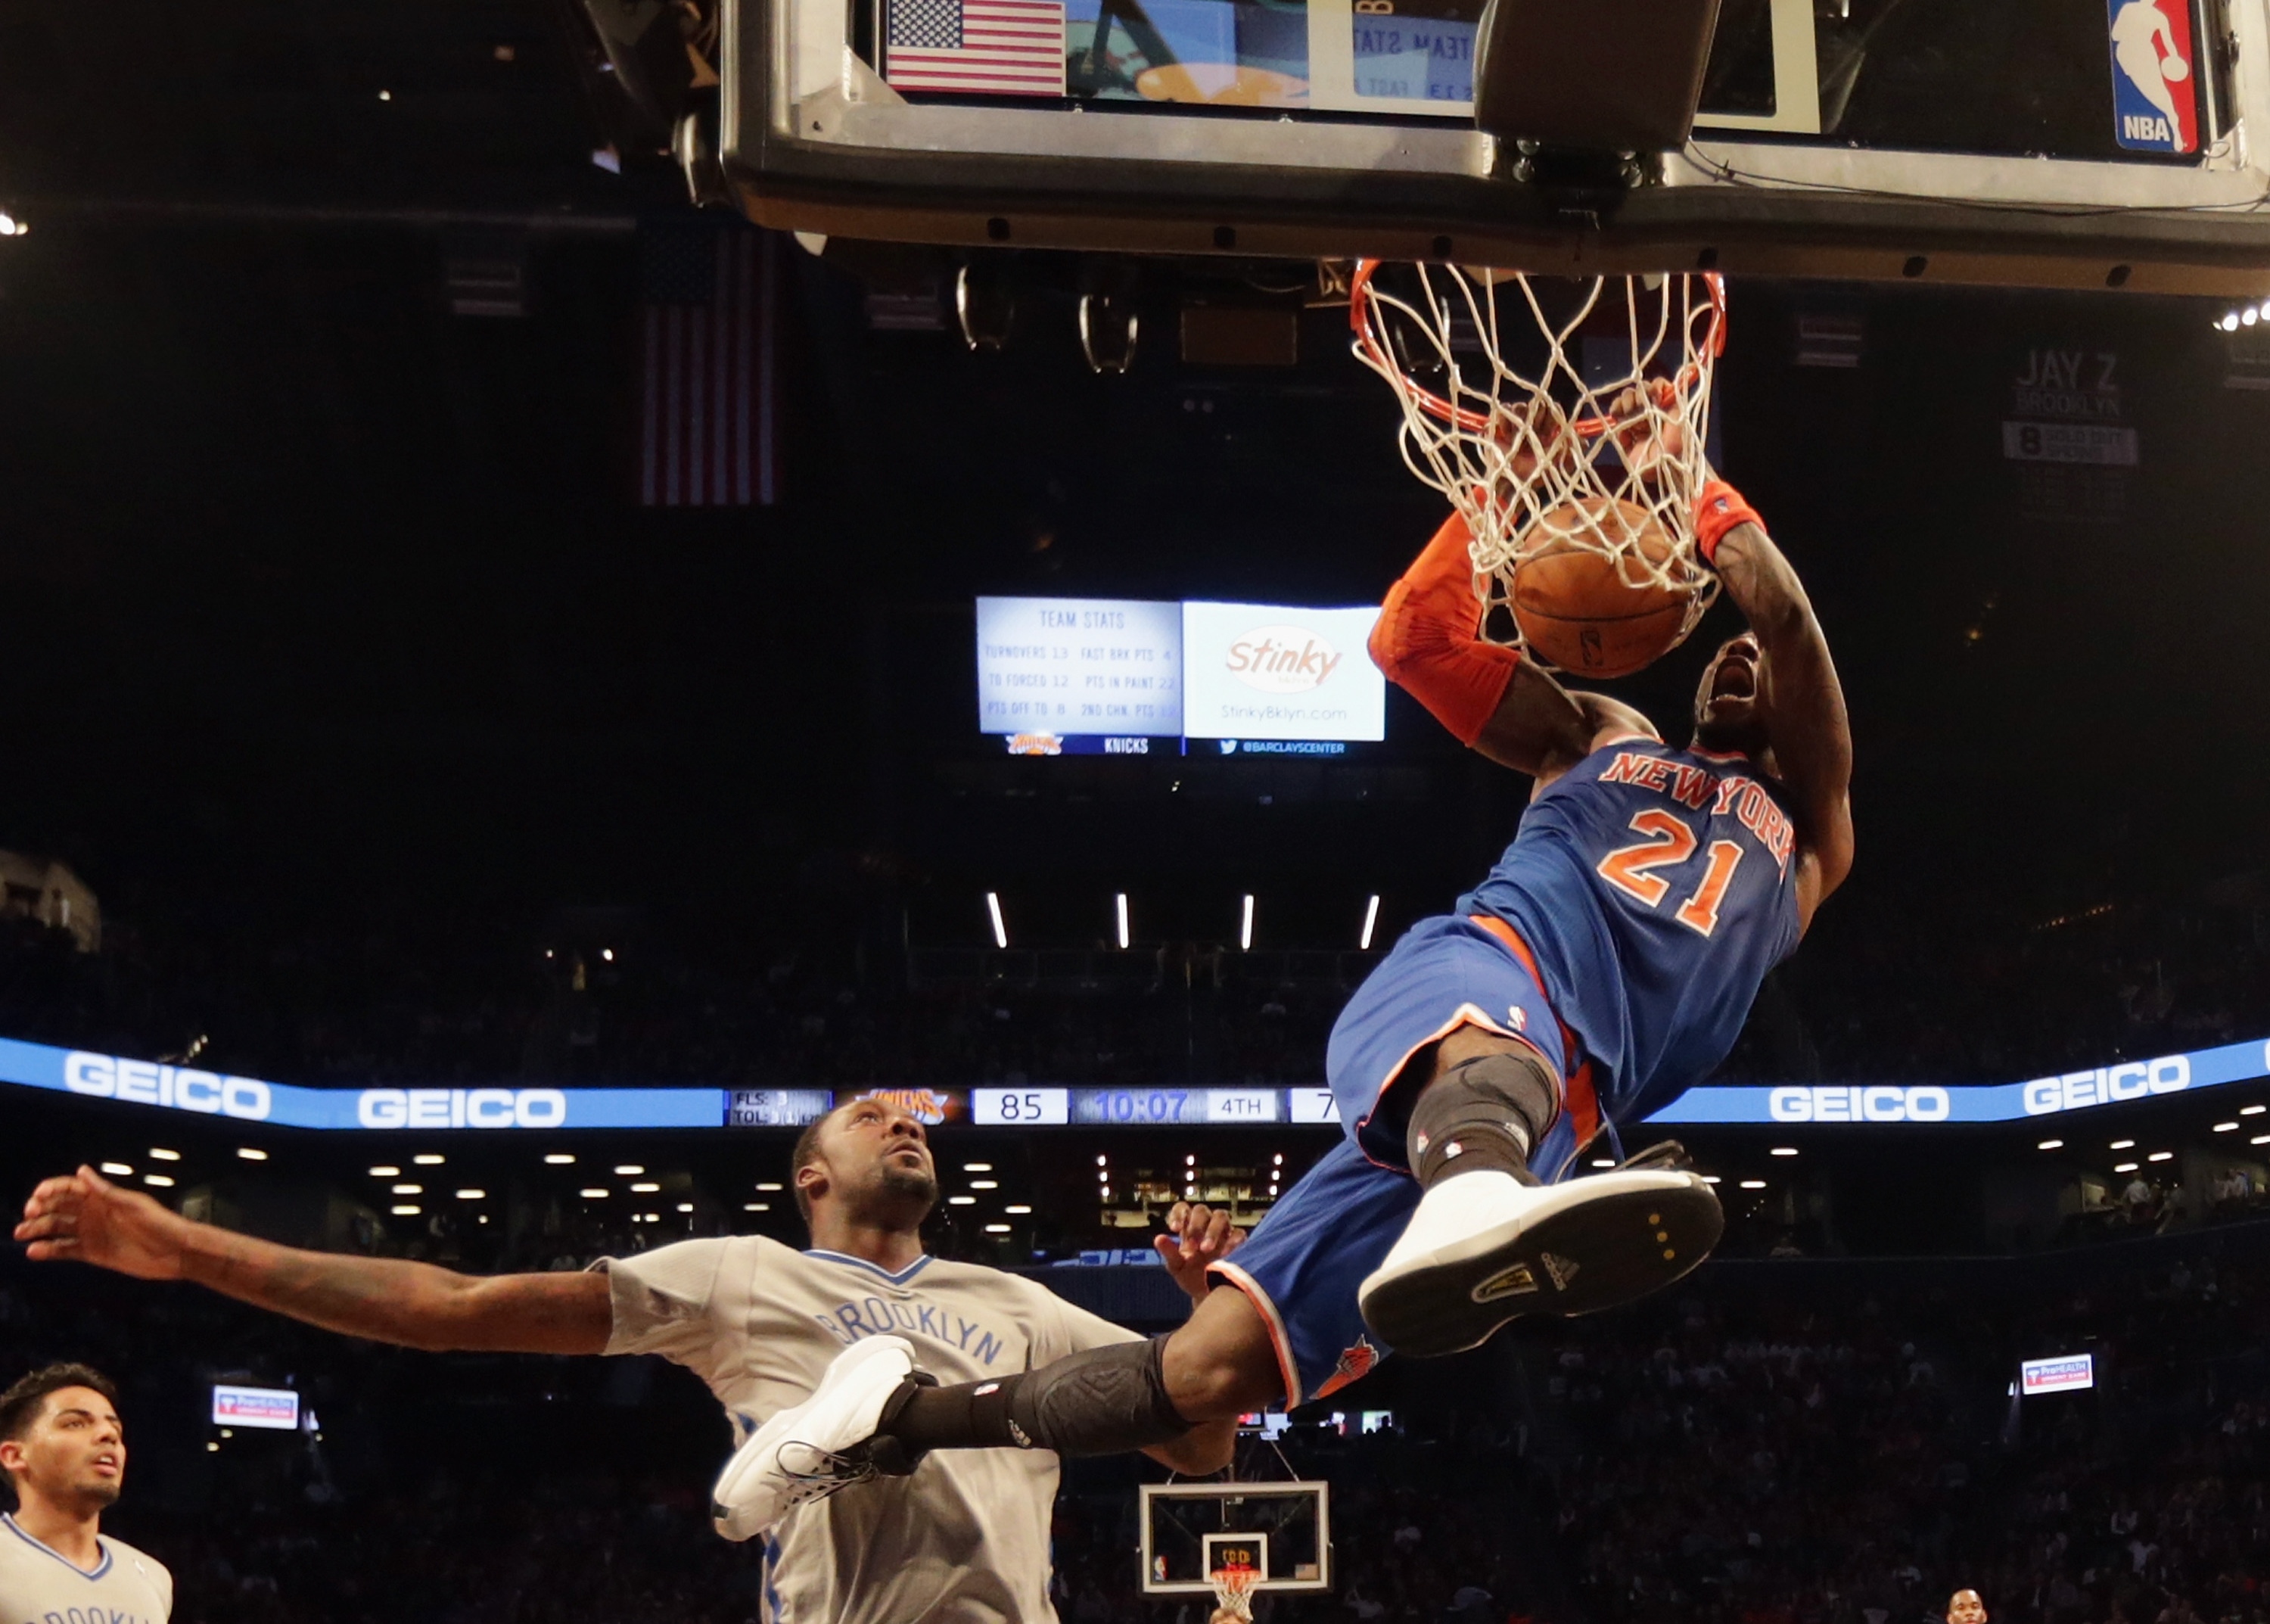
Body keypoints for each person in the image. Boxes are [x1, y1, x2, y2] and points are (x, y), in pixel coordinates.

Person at [708, 468, 1855, 1535]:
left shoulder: (1811, 834)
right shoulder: (1601, 733)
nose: (1744, 654)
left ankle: (889, 1422)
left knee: (1205, 1375)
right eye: (1727, 647)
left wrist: (1704, 502)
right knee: (1489, 1064)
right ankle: (1471, 1198)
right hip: (1487, 976)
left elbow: (1794, 624)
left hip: (1551, 1116)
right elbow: (1410, 639)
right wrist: (1499, 491)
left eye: (1753, 646)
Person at [15, 1097, 1240, 1624]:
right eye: (870, 1117)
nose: (904, 1122)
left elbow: (1198, 1442)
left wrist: (1204, 1327)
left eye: (913, 1119)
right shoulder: (742, 1273)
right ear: (810, 1176)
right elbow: (452, 1304)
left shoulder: (1018, 1299)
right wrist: (193, 1251)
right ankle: (827, 1437)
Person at [0, 1362, 172, 1624]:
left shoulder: (152, 1575)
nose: (108, 1435)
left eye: (116, 1429)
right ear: (14, 1455)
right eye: (75, 1424)